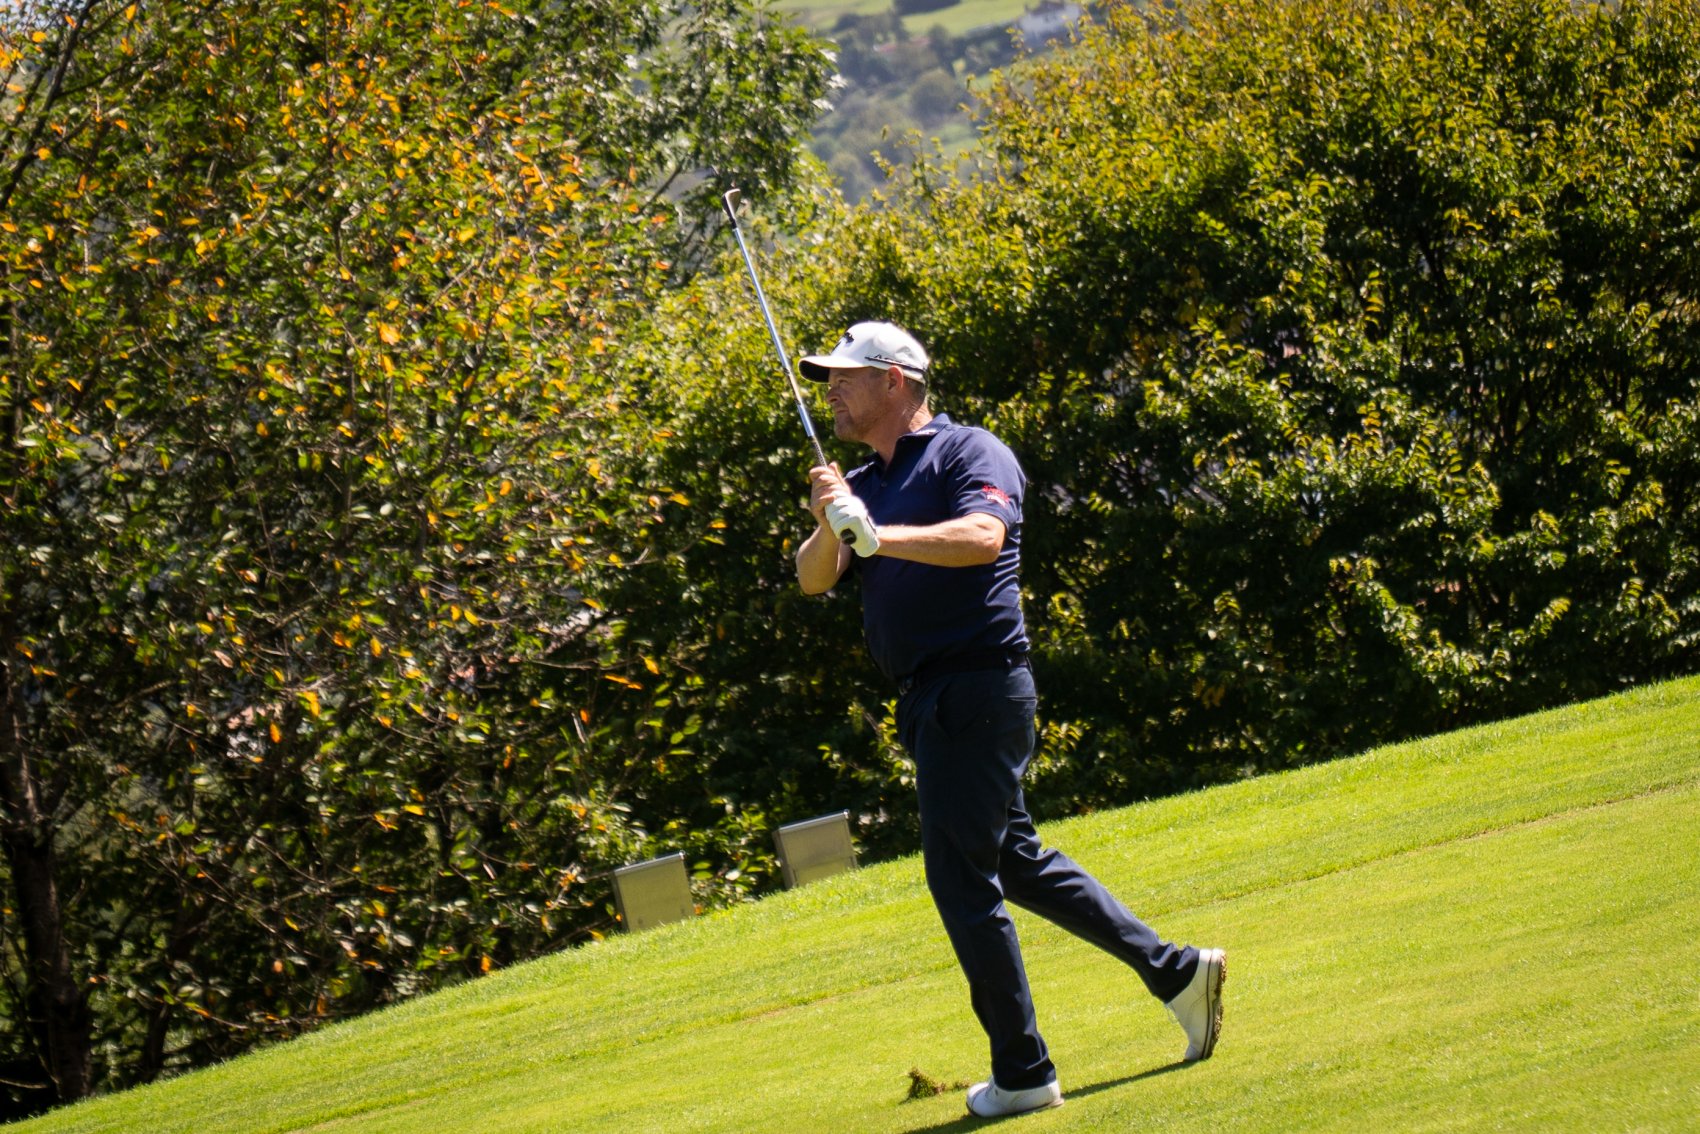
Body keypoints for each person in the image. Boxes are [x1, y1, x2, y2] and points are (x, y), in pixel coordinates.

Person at [792, 321, 1226, 1119]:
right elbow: (813, 579)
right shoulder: (862, 481)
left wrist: (879, 534)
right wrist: (832, 521)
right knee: (1013, 863)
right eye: (829, 379)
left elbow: (982, 537)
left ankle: (1023, 1071)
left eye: (847, 376)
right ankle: (1176, 972)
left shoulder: (969, 452)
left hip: (978, 685)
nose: (833, 391)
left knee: (959, 879)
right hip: (930, 699)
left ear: (895, 381)